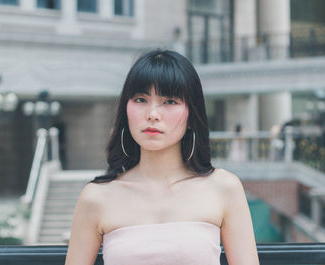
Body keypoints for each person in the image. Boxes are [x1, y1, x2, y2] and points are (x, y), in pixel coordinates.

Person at [64, 50, 259, 265]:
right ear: (125, 109)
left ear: (192, 115)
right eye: (140, 99)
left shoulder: (224, 188)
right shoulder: (96, 198)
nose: (152, 114)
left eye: (170, 101)